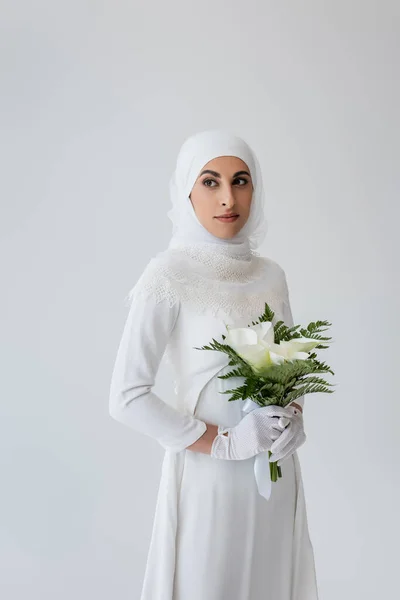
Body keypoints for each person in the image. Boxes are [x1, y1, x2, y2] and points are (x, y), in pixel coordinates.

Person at [108, 129, 319, 600]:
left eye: (241, 181)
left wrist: (294, 420)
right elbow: (127, 396)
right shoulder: (169, 273)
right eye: (210, 181)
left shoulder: (271, 275)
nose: (228, 197)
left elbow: (287, 371)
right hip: (209, 480)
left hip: (273, 478)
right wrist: (224, 443)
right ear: (186, 189)